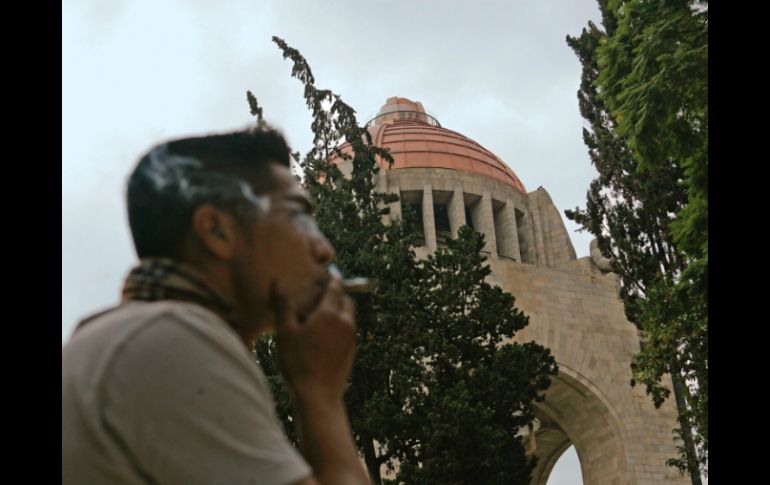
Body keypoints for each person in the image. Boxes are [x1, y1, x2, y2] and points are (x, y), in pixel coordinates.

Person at [62, 128, 371, 485]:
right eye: (298, 216)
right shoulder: (174, 341)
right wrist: (320, 396)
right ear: (217, 231)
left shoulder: (135, 335)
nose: (324, 250)